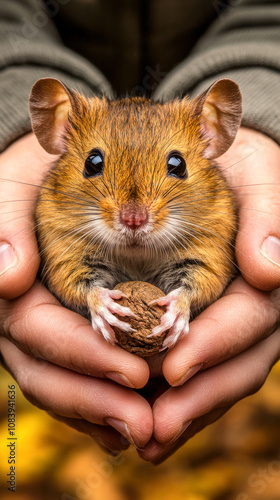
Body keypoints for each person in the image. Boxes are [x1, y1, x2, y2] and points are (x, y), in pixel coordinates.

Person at [0, 0, 280, 464]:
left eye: (174, 166)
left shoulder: (212, 206)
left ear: (215, 132)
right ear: (58, 129)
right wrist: (92, 296)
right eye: (95, 164)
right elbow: (64, 263)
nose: (132, 214)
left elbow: (212, 263)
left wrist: (186, 299)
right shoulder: (59, 208)